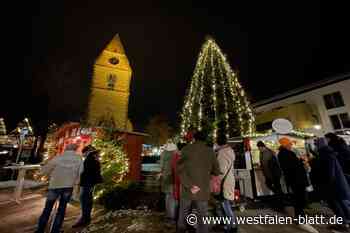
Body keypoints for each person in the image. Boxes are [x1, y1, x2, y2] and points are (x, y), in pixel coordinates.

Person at [177, 131, 221, 233]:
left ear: (194, 138)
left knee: (183, 214)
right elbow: (216, 171)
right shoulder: (210, 152)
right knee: (202, 215)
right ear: (205, 139)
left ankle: (182, 230)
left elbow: (179, 169)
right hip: (203, 189)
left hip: (187, 189)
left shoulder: (186, 149)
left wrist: (189, 185)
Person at [35, 144, 82, 233]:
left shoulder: (59, 157)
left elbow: (45, 170)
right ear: (75, 150)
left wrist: (45, 173)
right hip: (68, 186)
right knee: (62, 209)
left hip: (55, 185)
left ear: (66, 149)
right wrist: (76, 183)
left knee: (47, 208)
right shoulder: (79, 159)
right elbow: (80, 173)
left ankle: (40, 229)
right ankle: (56, 230)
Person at [277, 137, 318, 233]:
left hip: (295, 180)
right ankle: (301, 220)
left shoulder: (284, 154)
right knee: (299, 199)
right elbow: (293, 167)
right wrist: (302, 162)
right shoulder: (285, 154)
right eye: (289, 144)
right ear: (285, 145)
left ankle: (300, 218)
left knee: (298, 199)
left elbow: (293, 166)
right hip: (297, 180)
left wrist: (300, 161)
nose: (291, 145)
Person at [313, 137, 350, 232]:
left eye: (316, 144)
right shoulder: (328, 152)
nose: (315, 146)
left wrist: (325, 184)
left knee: (336, 205)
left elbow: (329, 172)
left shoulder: (325, 154)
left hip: (332, 186)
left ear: (319, 145)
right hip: (337, 185)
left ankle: (343, 225)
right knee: (341, 204)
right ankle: (345, 222)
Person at [72, 146, 103, 228]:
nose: (83, 155)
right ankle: (86, 218)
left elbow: (86, 171)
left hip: (87, 183)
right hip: (89, 183)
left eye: (84, 153)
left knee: (85, 200)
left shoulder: (90, 159)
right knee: (87, 199)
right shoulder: (94, 158)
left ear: (88, 152)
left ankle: (84, 219)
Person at [216, 134, 238, 233]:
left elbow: (221, 170)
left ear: (218, 143)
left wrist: (216, 180)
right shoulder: (230, 151)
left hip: (224, 182)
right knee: (225, 204)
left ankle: (232, 226)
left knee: (225, 205)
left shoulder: (222, 153)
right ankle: (229, 225)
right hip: (229, 180)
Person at [160, 141, 178, 225]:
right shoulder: (176, 154)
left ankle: (169, 215)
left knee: (168, 197)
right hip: (174, 178)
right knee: (174, 197)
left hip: (166, 177)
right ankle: (173, 215)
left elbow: (161, 166)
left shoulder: (163, 154)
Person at [171, 142, 187, 224]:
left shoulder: (174, 156)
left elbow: (173, 167)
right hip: (182, 182)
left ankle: (175, 218)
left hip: (176, 180)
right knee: (182, 202)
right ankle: (180, 220)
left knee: (177, 201)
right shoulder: (184, 157)